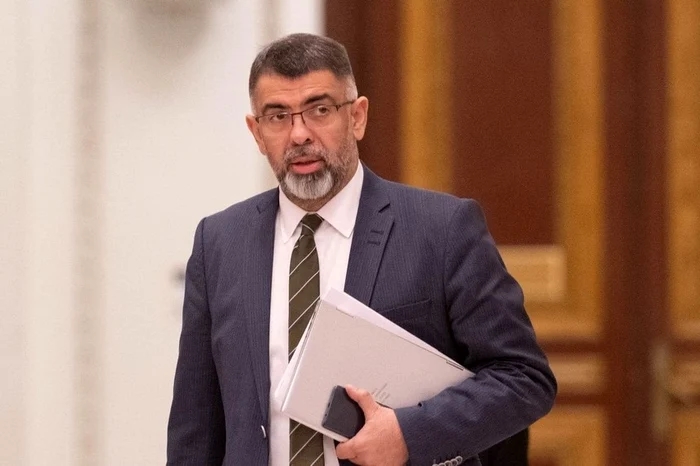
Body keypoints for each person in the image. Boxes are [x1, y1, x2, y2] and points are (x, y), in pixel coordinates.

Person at [167, 33, 556, 466]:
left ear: (357, 117)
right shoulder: (219, 242)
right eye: (277, 117)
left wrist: (410, 435)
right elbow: (195, 426)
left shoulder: (442, 229)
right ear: (257, 133)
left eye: (319, 110)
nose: (299, 134)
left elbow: (523, 379)